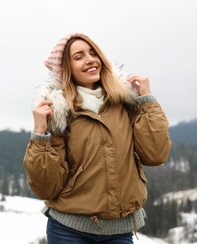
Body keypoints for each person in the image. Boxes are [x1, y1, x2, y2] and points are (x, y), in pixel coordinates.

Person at [23, 33, 172, 243]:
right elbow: (46, 187)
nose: (90, 59)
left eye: (94, 53)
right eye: (79, 56)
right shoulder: (58, 113)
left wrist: (147, 101)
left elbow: (156, 155)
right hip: (68, 230)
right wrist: (40, 134)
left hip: (119, 231)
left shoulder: (125, 102)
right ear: (66, 68)